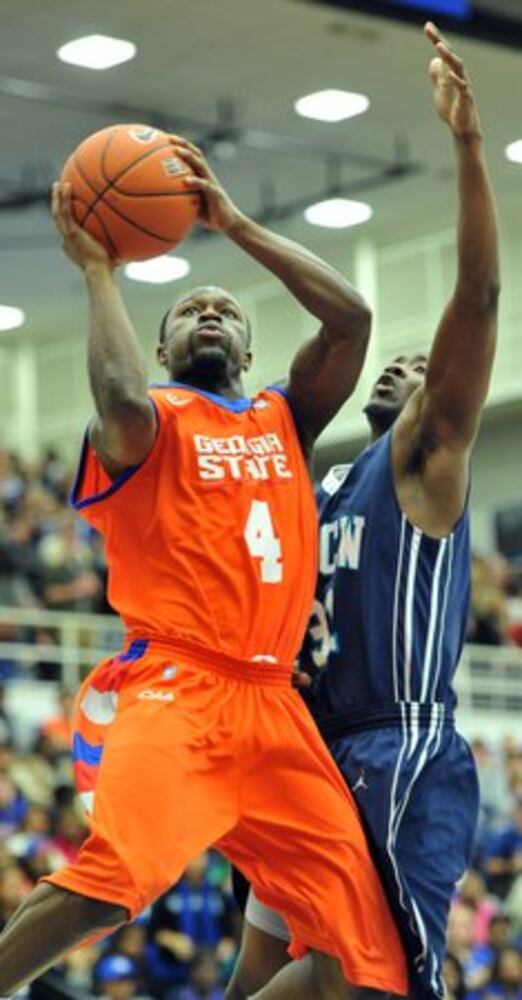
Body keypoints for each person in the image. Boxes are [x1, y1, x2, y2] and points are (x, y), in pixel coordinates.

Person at [0, 124, 408, 1000]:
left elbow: (352, 319)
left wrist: (234, 223)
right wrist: (99, 271)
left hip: (274, 706)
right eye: (189, 311)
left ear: (252, 352)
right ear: (164, 349)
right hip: (178, 690)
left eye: (225, 309)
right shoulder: (148, 425)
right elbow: (113, 393)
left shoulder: (280, 419)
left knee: (366, 960)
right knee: (111, 885)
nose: (209, 313)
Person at [227, 20, 500, 1000]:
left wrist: (469, 150)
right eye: (402, 360)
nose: (406, 365)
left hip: (398, 745)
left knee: (373, 983)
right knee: (269, 965)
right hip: (308, 744)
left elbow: (476, 292)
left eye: (425, 368)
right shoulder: (325, 484)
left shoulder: (426, 459)